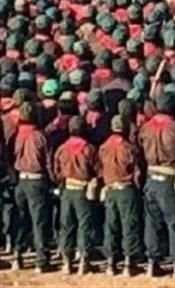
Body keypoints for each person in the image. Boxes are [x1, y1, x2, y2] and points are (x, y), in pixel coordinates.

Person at [138, 91, 175, 279]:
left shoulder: (145, 128)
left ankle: (152, 262)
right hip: (170, 179)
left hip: (151, 177)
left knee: (152, 223)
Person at [52, 116, 96, 275]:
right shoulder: (88, 148)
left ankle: (66, 262)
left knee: (66, 225)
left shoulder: (62, 149)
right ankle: (84, 260)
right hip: (82, 190)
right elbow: (96, 169)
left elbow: (55, 170)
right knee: (84, 225)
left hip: (67, 189)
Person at [98, 114, 142, 277]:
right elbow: (137, 172)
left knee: (111, 225)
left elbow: (100, 168)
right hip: (126, 189)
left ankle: (111, 262)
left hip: (110, 189)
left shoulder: (103, 147)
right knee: (129, 225)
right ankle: (129, 263)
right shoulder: (130, 148)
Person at [12, 102, 52, 272]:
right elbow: (48, 161)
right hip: (37, 180)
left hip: (21, 179)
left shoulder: (17, 135)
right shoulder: (40, 136)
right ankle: (41, 260)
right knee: (39, 220)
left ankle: (17, 255)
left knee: (21, 219)